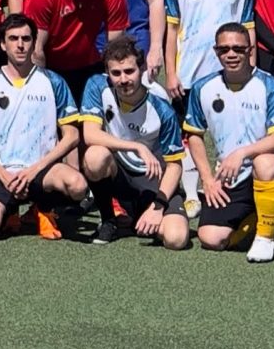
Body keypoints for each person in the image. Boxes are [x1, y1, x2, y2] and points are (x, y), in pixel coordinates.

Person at [0, 14, 89, 241]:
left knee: (78, 186)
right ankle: (9, 212)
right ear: (3, 44)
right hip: (1, 172)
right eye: (13, 39)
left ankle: (42, 209)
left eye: (26, 38)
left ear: (34, 42)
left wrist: (32, 171)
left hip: (43, 171)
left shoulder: (54, 82)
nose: (20, 45)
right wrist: (4, 176)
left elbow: (71, 136)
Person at [181, 23, 274, 263]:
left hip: (273, 168)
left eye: (238, 49)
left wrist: (242, 153)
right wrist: (208, 180)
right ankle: (260, 215)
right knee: (211, 238)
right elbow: (194, 136)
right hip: (230, 175)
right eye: (224, 49)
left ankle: (266, 236)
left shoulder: (271, 87)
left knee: (264, 163)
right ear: (216, 52)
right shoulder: (203, 87)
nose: (231, 54)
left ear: (250, 50)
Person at [78, 41, 190, 249]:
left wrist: (158, 207)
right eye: (116, 73)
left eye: (129, 71)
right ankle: (109, 220)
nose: (123, 79)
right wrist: (137, 146)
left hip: (152, 180)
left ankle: (143, 214)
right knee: (95, 156)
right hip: (119, 174)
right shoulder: (97, 86)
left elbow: (175, 166)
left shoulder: (162, 108)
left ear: (142, 70)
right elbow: (90, 135)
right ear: (107, 73)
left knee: (176, 239)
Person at [23, 0, 129, 90]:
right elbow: (36, 48)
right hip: (52, 66)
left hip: (91, 67)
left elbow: (115, 47)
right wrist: (40, 85)